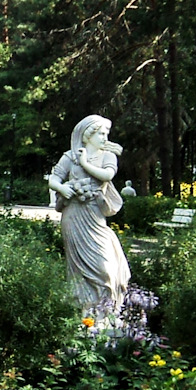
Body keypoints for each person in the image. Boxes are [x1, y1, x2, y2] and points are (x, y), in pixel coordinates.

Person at [45, 114, 131, 318]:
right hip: (73, 215)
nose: (104, 137)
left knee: (106, 267)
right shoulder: (70, 156)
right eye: (101, 133)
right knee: (78, 269)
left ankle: (107, 312)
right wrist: (62, 188)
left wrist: (84, 162)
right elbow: (54, 178)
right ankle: (86, 314)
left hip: (94, 214)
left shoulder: (107, 156)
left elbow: (108, 176)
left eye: (106, 133)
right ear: (87, 136)